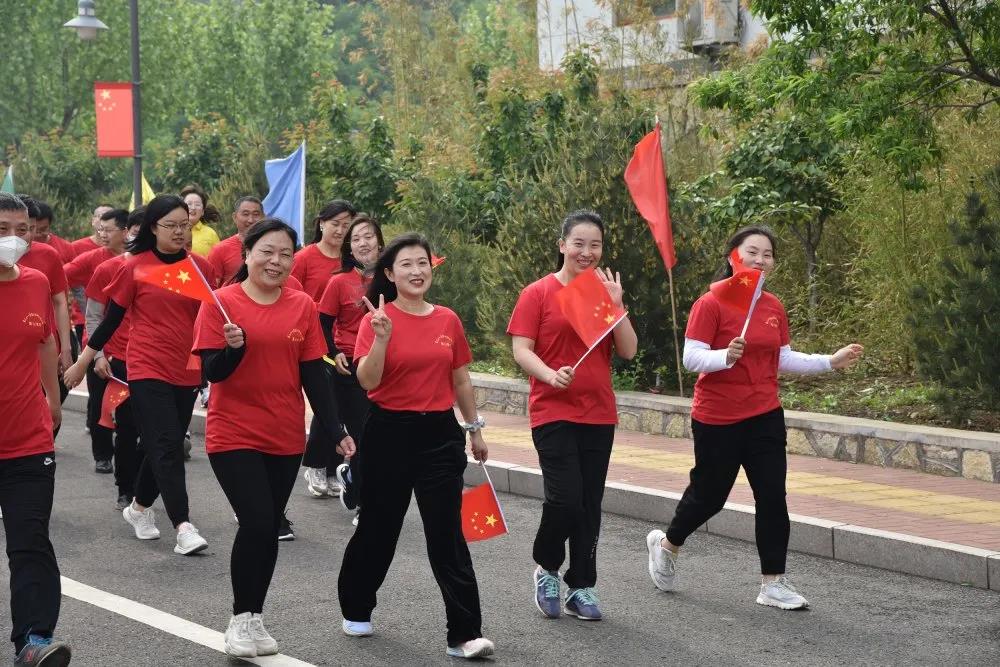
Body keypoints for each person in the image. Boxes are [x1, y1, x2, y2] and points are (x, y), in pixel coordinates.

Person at [644, 225, 864, 610]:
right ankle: (667, 544)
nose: (760, 260)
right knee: (709, 497)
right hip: (717, 417)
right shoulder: (710, 303)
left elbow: (783, 358)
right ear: (734, 256)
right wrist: (724, 356)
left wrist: (830, 361)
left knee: (772, 496)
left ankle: (773, 583)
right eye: (752, 252)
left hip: (764, 415)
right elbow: (691, 357)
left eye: (768, 254)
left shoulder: (772, 306)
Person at [192, 218, 355, 658]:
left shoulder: (301, 305)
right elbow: (212, 372)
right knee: (259, 523)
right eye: (267, 251)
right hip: (233, 433)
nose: (276, 261)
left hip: (284, 435)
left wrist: (336, 429)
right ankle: (239, 618)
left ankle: (254, 616)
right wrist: (234, 349)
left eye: (285, 254)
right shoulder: (221, 303)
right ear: (247, 254)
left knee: (267, 530)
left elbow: (313, 375)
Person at [337, 233, 494, 660]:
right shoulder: (376, 320)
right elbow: (367, 381)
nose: (416, 271)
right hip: (388, 432)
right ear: (390, 274)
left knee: (447, 534)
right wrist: (382, 338)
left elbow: (460, 378)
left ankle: (464, 634)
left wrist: (474, 429)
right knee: (379, 527)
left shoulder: (447, 320)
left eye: (422, 263)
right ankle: (356, 607)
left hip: (439, 435)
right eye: (406, 264)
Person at [63, 194, 218, 556]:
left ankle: (139, 507)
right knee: (166, 446)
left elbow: (209, 319)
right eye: (171, 225)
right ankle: (183, 526)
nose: (179, 232)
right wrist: (84, 361)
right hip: (146, 366)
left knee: (162, 443)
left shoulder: (200, 269)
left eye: (184, 225)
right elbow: (110, 321)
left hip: (187, 368)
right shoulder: (134, 267)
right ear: (153, 228)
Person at [507, 210, 638, 622]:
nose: (586, 251)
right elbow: (521, 349)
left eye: (595, 245)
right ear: (562, 244)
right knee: (565, 498)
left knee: (588, 503)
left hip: (598, 413)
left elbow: (628, 350)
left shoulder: (604, 294)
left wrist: (617, 306)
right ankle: (546, 568)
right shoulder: (538, 293)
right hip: (553, 410)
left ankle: (581, 585)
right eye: (578, 243)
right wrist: (549, 374)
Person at [0, 192, 73, 665]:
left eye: (21, 230)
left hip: (27, 440)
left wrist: (52, 399)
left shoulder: (36, 281)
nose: (13, 239)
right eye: (2, 229)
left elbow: (44, 340)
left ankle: (33, 641)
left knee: (30, 543)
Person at [308, 214, 384, 520]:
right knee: (364, 433)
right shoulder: (338, 281)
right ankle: (364, 501)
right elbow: (323, 324)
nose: (363, 243)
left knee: (381, 435)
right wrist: (334, 352)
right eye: (356, 239)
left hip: (386, 365)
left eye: (369, 236)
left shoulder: (392, 279)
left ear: (380, 242)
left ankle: (353, 479)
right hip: (350, 366)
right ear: (349, 248)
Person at [82, 208, 144, 510]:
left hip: (161, 365)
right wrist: (98, 355)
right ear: (129, 232)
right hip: (119, 360)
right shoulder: (109, 269)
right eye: (138, 232)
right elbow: (94, 316)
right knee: (126, 427)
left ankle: (146, 488)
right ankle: (126, 488)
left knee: (157, 435)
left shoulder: (180, 272)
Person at [64, 208, 129, 474]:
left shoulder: (141, 261)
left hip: (133, 347)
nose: (101, 234)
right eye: (99, 229)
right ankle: (102, 455)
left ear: (125, 231)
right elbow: (60, 277)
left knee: (129, 409)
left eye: (107, 229)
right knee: (100, 402)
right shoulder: (94, 260)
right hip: (97, 342)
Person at [13, 195, 73, 408]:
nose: (28, 235)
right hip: (13, 351)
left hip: (44, 342)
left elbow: (60, 302)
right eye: (23, 229)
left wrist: (66, 348)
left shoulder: (48, 255)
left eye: (31, 229)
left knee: (47, 407)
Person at [291, 199, 355, 303]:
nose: (340, 231)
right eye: (335, 224)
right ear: (322, 223)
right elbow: (290, 297)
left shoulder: (354, 260)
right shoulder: (302, 258)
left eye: (345, 226)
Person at [206, 196, 265, 288]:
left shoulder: (273, 249)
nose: (251, 220)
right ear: (234, 217)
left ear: (263, 217)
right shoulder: (220, 250)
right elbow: (211, 288)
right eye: (245, 214)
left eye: (256, 214)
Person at [180, 185, 221, 257]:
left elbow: (219, 258)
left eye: (197, 204)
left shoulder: (211, 234)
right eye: (189, 204)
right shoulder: (174, 231)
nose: (193, 208)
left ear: (202, 211)